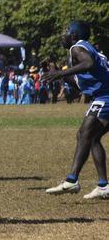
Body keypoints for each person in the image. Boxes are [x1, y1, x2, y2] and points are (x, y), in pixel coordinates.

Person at [43, 21, 109, 199]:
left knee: (83, 135)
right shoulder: (89, 49)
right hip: (104, 96)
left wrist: (60, 73)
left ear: (73, 35)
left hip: (106, 97)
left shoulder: (77, 48)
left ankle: (72, 180)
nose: (63, 35)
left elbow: (87, 63)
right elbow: (82, 79)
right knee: (93, 138)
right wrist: (58, 74)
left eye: (66, 31)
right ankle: (103, 185)